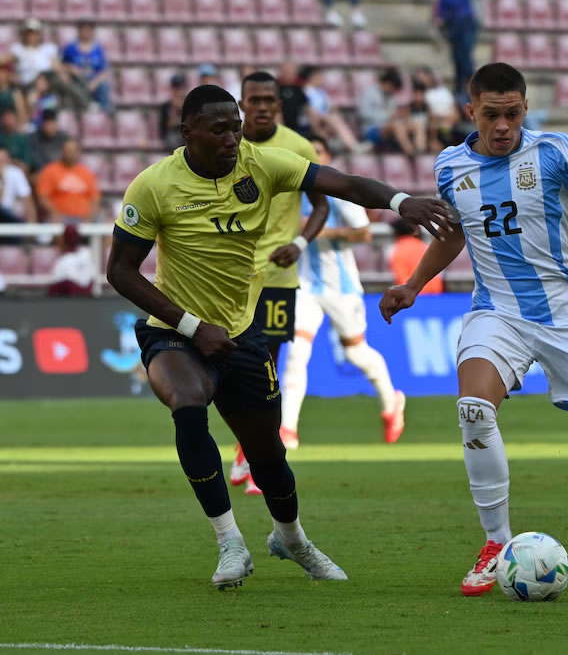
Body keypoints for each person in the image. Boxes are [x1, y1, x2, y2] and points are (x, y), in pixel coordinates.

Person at [105, 84, 450, 589]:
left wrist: (401, 201)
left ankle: (291, 539)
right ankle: (230, 543)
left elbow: (343, 185)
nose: (231, 138)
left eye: (236, 127)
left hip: (241, 332)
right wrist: (190, 326)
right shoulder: (154, 186)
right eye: (218, 129)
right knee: (187, 400)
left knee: (267, 454)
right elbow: (120, 270)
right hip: (175, 331)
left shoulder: (263, 164)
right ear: (187, 132)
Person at [379, 63, 568, 594]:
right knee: (474, 410)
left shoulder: (554, 151)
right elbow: (455, 233)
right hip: (496, 313)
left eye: (513, 113)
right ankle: (497, 543)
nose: (503, 125)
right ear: (470, 110)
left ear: (525, 108)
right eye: (492, 114)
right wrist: (414, 283)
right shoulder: (450, 164)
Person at [228, 71, 330, 496]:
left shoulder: (297, 146)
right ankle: (244, 446)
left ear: (279, 104)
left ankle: (261, 459)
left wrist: (300, 243)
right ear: (243, 104)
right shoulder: (227, 144)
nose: (264, 106)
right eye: (255, 100)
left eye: (270, 99)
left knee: (265, 368)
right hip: (232, 275)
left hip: (278, 275)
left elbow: (322, 204)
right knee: (233, 371)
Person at [280, 134, 405, 450]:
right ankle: (288, 430)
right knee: (296, 354)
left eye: (317, 151)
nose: (311, 156)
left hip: (342, 288)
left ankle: (391, 401)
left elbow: (364, 233)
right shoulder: (291, 191)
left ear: (327, 155)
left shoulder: (337, 193)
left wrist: (317, 232)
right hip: (304, 286)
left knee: (355, 352)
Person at [9, 18, 87, 111]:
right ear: (24, 34)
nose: (31, 35)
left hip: (49, 79)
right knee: (32, 96)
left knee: (67, 81)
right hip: (28, 83)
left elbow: (57, 66)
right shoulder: (18, 49)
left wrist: (66, 70)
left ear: (39, 34)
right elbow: (8, 64)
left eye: (34, 32)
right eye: (29, 32)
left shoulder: (48, 48)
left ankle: (84, 104)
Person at [357, 68, 422, 155]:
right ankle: (411, 152)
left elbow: (393, 115)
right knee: (397, 125)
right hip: (372, 129)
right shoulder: (369, 93)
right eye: (393, 87)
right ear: (387, 83)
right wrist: (388, 116)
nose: (393, 90)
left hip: (389, 126)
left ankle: (421, 151)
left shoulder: (391, 97)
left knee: (417, 124)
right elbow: (363, 113)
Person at [299, 66, 362, 154]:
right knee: (333, 120)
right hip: (309, 120)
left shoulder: (321, 91)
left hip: (325, 120)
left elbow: (330, 107)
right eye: (318, 76)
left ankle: (330, 149)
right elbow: (309, 110)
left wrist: (333, 110)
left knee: (333, 121)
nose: (321, 78)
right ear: (311, 77)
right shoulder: (305, 91)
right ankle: (353, 146)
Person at [35, 138, 100, 223]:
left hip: (83, 217)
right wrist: (54, 213)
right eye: (67, 151)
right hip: (59, 217)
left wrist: (90, 216)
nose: (70, 154)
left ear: (78, 152)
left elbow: (94, 198)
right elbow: (43, 197)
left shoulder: (86, 173)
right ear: (62, 151)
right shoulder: (50, 171)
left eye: (73, 151)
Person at [61, 20, 113, 113]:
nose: (86, 32)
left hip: (93, 82)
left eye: (88, 30)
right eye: (83, 29)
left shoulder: (98, 49)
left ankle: (104, 114)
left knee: (104, 86)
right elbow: (61, 65)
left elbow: (104, 71)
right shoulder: (70, 48)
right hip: (77, 81)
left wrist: (94, 83)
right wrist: (70, 68)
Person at [435, 0, 478, 97]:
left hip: (464, 23)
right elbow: (440, 13)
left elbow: (456, 7)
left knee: (464, 57)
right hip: (453, 25)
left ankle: (469, 86)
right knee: (458, 58)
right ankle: (461, 88)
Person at [389, 218, 443, 294]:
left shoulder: (397, 250)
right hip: (436, 291)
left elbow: (401, 279)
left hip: (414, 293)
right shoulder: (424, 246)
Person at [48, 224, 95, 296]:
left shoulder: (63, 261)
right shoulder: (87, 253)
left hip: (73, 301)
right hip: (83, 299)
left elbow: (53, 290)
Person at [0, 147, 34, 223]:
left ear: (8, 160)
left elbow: (27, 198)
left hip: (10, 214)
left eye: (2, 160)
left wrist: (31, 222)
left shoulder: (16, 173)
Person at [159, 73, 187, 151]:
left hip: (185, 133)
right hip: (172, 134)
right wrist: (174, 109)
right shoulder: (166, 106)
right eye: (176, 88)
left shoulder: (188, 104)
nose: (178, 91)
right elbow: (166, 126)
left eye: (180, 88)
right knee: (172, 140)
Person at [0, 105, 32, 169]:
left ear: (16, 118)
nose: (7, 120)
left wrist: (10, 160)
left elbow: (26, 166)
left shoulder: (22, 139)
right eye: (5, 117)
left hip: (17, 172)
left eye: (10, 117)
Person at [0, 63, 28, 128]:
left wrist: (20, 124)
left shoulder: (15, 92)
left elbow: (21, 111)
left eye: (3, 72)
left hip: (13, 125)